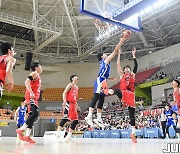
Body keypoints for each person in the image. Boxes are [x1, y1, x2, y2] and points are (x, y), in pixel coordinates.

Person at [85, 31, 130, 127]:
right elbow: (115, 51)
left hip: (103, 80)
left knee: (101, 98)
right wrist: (122, 40)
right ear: (102, 56)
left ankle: (99, 118)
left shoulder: (104, 63)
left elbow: (103, 74)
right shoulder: (105, 60)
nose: (106, 54)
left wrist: (110, 79)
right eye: (105, 54)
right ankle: (89, 116)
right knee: (96, 97)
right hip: (100, 80)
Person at [112, 47, 138, 143]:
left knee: (132, 115)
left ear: (130, 70)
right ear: (124, 70)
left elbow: (136, 67)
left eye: (128, 68)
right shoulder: (122, 75)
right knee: (116, 90)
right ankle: (109, 92)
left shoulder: (132, 75)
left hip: (130, 95)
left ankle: (133, 134)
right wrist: (119, 54)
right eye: (126, 68)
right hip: (123, 93)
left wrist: (134, 56)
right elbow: (118, 64)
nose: (127, 69)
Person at [16, 62, 42, 143]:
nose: (41, 68)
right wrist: (31, 92)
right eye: (40, 66)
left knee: (32, 116)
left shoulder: (38, 76)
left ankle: (27, 136)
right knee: (35, 114)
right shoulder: (34, 73)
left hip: (34, 98)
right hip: (31, 97)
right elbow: (26, 82)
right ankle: (21, 130)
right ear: (36, 68)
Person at [56, 75, 80, 142]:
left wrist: (77, 105)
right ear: (72, 78)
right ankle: (57, 135)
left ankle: (68, 137)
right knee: (65, 119)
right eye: (76, 77)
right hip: (68, 103)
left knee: (75, 121)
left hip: (73, 104)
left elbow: (75, 98)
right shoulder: (70, 85)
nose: (77, 78)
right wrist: (64, 101)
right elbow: (64, 93)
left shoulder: (77, 87)